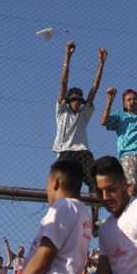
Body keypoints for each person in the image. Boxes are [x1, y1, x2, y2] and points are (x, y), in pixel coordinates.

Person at [8, 160, 93, 274]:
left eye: (47, 183)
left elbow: (43, 258)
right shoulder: (84, 214)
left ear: (55, 183)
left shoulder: (62, 206)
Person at [53, 41, 105, 193]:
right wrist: (67, 57)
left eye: (79, 100)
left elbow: (94, 88)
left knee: (95, 181)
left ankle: (94, 215)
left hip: (82, 151)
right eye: (73, 99)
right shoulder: (62, 111)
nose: (76, 102)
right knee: (64, 184)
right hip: (65, 151)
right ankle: (63, 212)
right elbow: (63, 82)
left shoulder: (84, 113)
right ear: (69, 101)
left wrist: (101, 63)